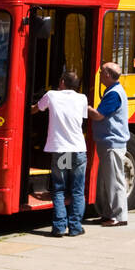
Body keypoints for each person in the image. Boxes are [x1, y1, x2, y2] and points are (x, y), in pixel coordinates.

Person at [31, 70, 88, 237]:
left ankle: (59, 227)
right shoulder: (82, 98)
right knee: (77, 190)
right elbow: (82, 118)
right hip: (78, 150)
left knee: (60, 189)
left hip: (62, 151)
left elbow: (36, 109)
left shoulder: (52, 96)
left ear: (62, 82)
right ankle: (76, 227)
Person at [87, 62, 129, 226]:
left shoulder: (113, 94)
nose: (99, 74)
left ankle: (118, 217)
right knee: (108, 181)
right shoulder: (113, 90)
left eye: (102, 71)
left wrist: (86, 107)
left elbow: (98, 116)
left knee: (114, 181)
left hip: (112, 143)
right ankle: (108, 214)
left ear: (108, 75)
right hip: (109, 142)